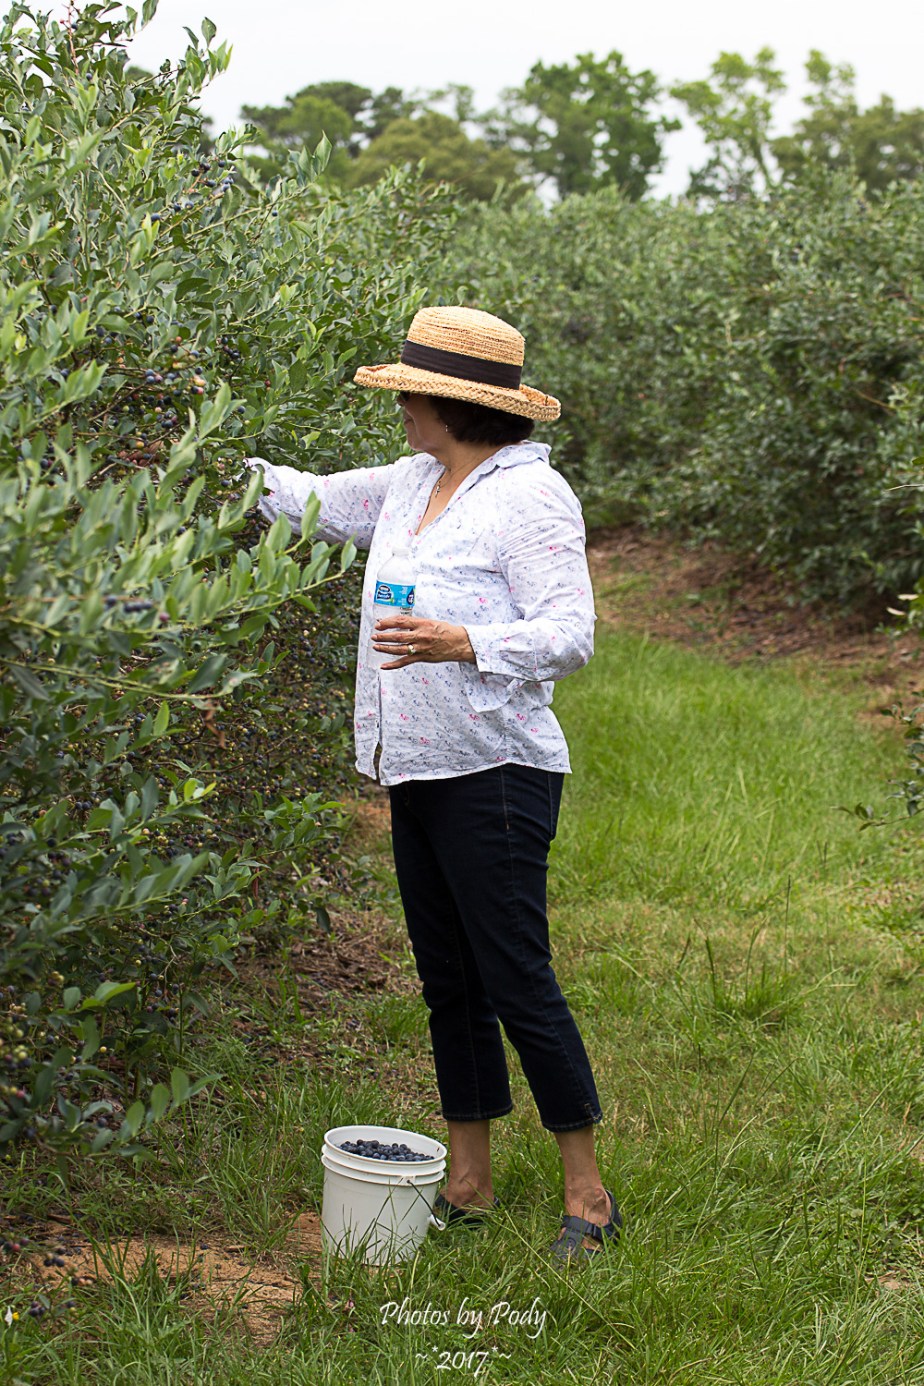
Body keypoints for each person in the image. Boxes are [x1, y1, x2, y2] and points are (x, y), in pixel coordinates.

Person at [245, 306, 621, 1263]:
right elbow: (310, 499)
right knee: (448, 980)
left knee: (514, 975)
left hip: (496, 770)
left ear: (453, 404)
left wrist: (465, 642)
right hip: (412, 766)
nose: (401, 406)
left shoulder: (530, 500)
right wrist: (203, 458)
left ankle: (589, 1192)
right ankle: (469, 1179)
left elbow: (570, 634)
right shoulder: (414, 483)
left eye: (411, 392)